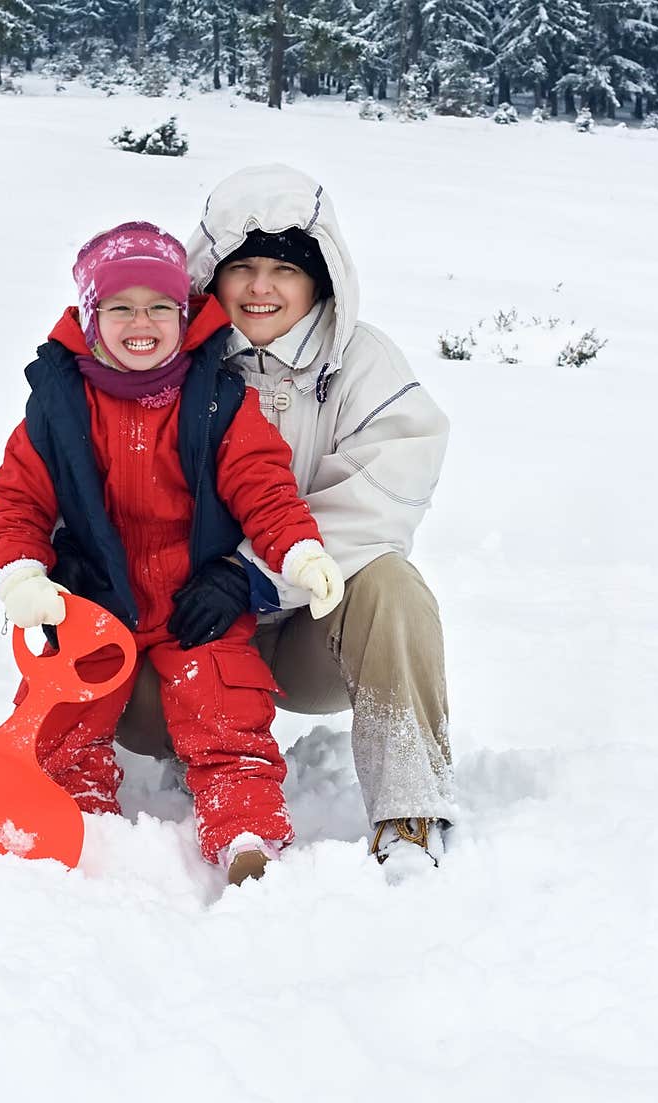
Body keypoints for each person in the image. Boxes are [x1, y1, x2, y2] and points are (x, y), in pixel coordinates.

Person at [115, 165, 453, 876]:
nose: (261, 288)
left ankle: (409, 809)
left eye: (283, 270)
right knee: (114, 682)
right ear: (212, 275)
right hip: (184, 635)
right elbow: (89, 461)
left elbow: (384, 497)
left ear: (321, 279)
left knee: (393, 585)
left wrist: (251, 575)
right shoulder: (161, 359)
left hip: (306, 636)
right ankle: (199, 751)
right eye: (243, 268)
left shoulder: (365, 363)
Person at [0, 220, 344, 886]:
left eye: (158, 308)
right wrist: (24, 573)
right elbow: (18, 502)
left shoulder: (217, 400)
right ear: (93, 319)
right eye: (120, 307)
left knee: (225, 710)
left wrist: (298, 551)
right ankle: (77, 817)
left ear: (184, 316)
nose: (140, 323)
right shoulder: (60, 405)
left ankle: (246, 835)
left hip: (194, 602)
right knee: (64, 714)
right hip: (98, 603)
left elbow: (263, 485)